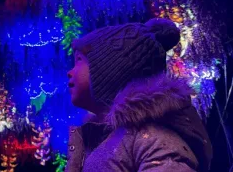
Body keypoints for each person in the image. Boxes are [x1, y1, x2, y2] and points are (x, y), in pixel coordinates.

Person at [66, 18, 213, 172]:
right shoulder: (100, 140)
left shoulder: (153, 138)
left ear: (110, 71)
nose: (70, 72)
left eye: (79, 61)